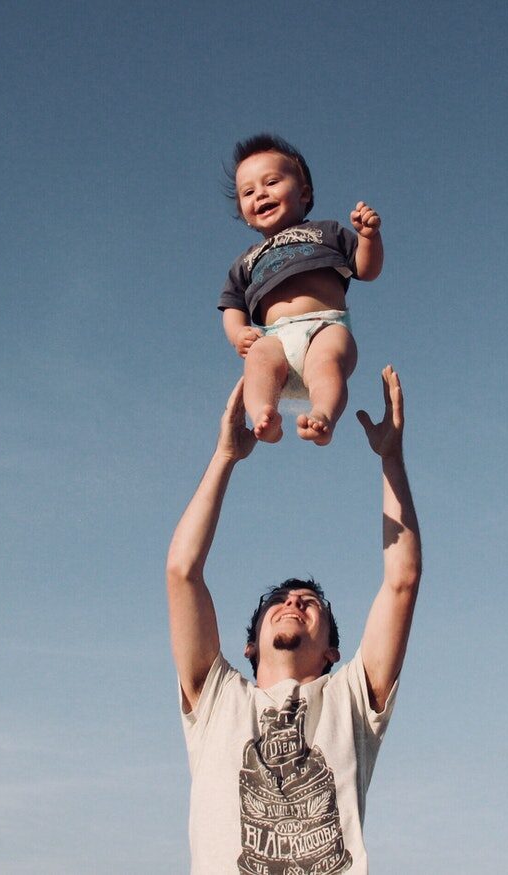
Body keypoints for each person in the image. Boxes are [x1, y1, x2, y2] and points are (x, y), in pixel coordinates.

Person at [166, 367, 422, 873]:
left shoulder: (350, 699)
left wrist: (391, 458)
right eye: (279, 601)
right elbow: (182, 572)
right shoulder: (218, 700)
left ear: (332, 651)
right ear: (250, 646)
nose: (294, 603)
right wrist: (224, 457)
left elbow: (402, 581)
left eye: (311, 603)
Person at [219, 134, 384, 447]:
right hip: (274, 337)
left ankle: (323, 415)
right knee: (258, 361)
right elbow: (232, 304)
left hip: (326, 325)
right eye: (249, 191)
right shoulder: (246, 260)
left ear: (304, 193)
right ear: (244, 213)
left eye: (272, 182)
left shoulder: (327, 232)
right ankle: (263, 414)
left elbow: (366, 270)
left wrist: (368, 238)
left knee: (326, 364)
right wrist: (238, 334)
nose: (260, 194)